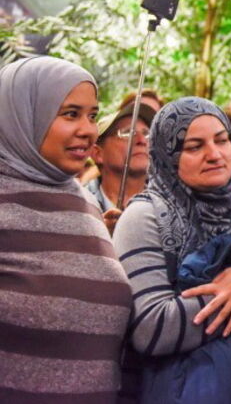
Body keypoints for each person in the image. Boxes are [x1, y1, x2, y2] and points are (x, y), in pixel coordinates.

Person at [112, 97, 231, 402]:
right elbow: (152, 328)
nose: (215, 154)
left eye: (222, 140)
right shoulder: (146, 217)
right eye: (194, 147)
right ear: (167, 154)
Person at [0, 56, 132, 402]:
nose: (88, 130)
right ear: (22, 116)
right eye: (70, 114)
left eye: (92, 115)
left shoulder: (83, 203)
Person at [86, 103, 156, 233]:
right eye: (127, 133)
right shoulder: (80, 205)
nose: (141, 140)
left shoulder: (170, 205)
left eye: (147, 133)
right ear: (97, 153)